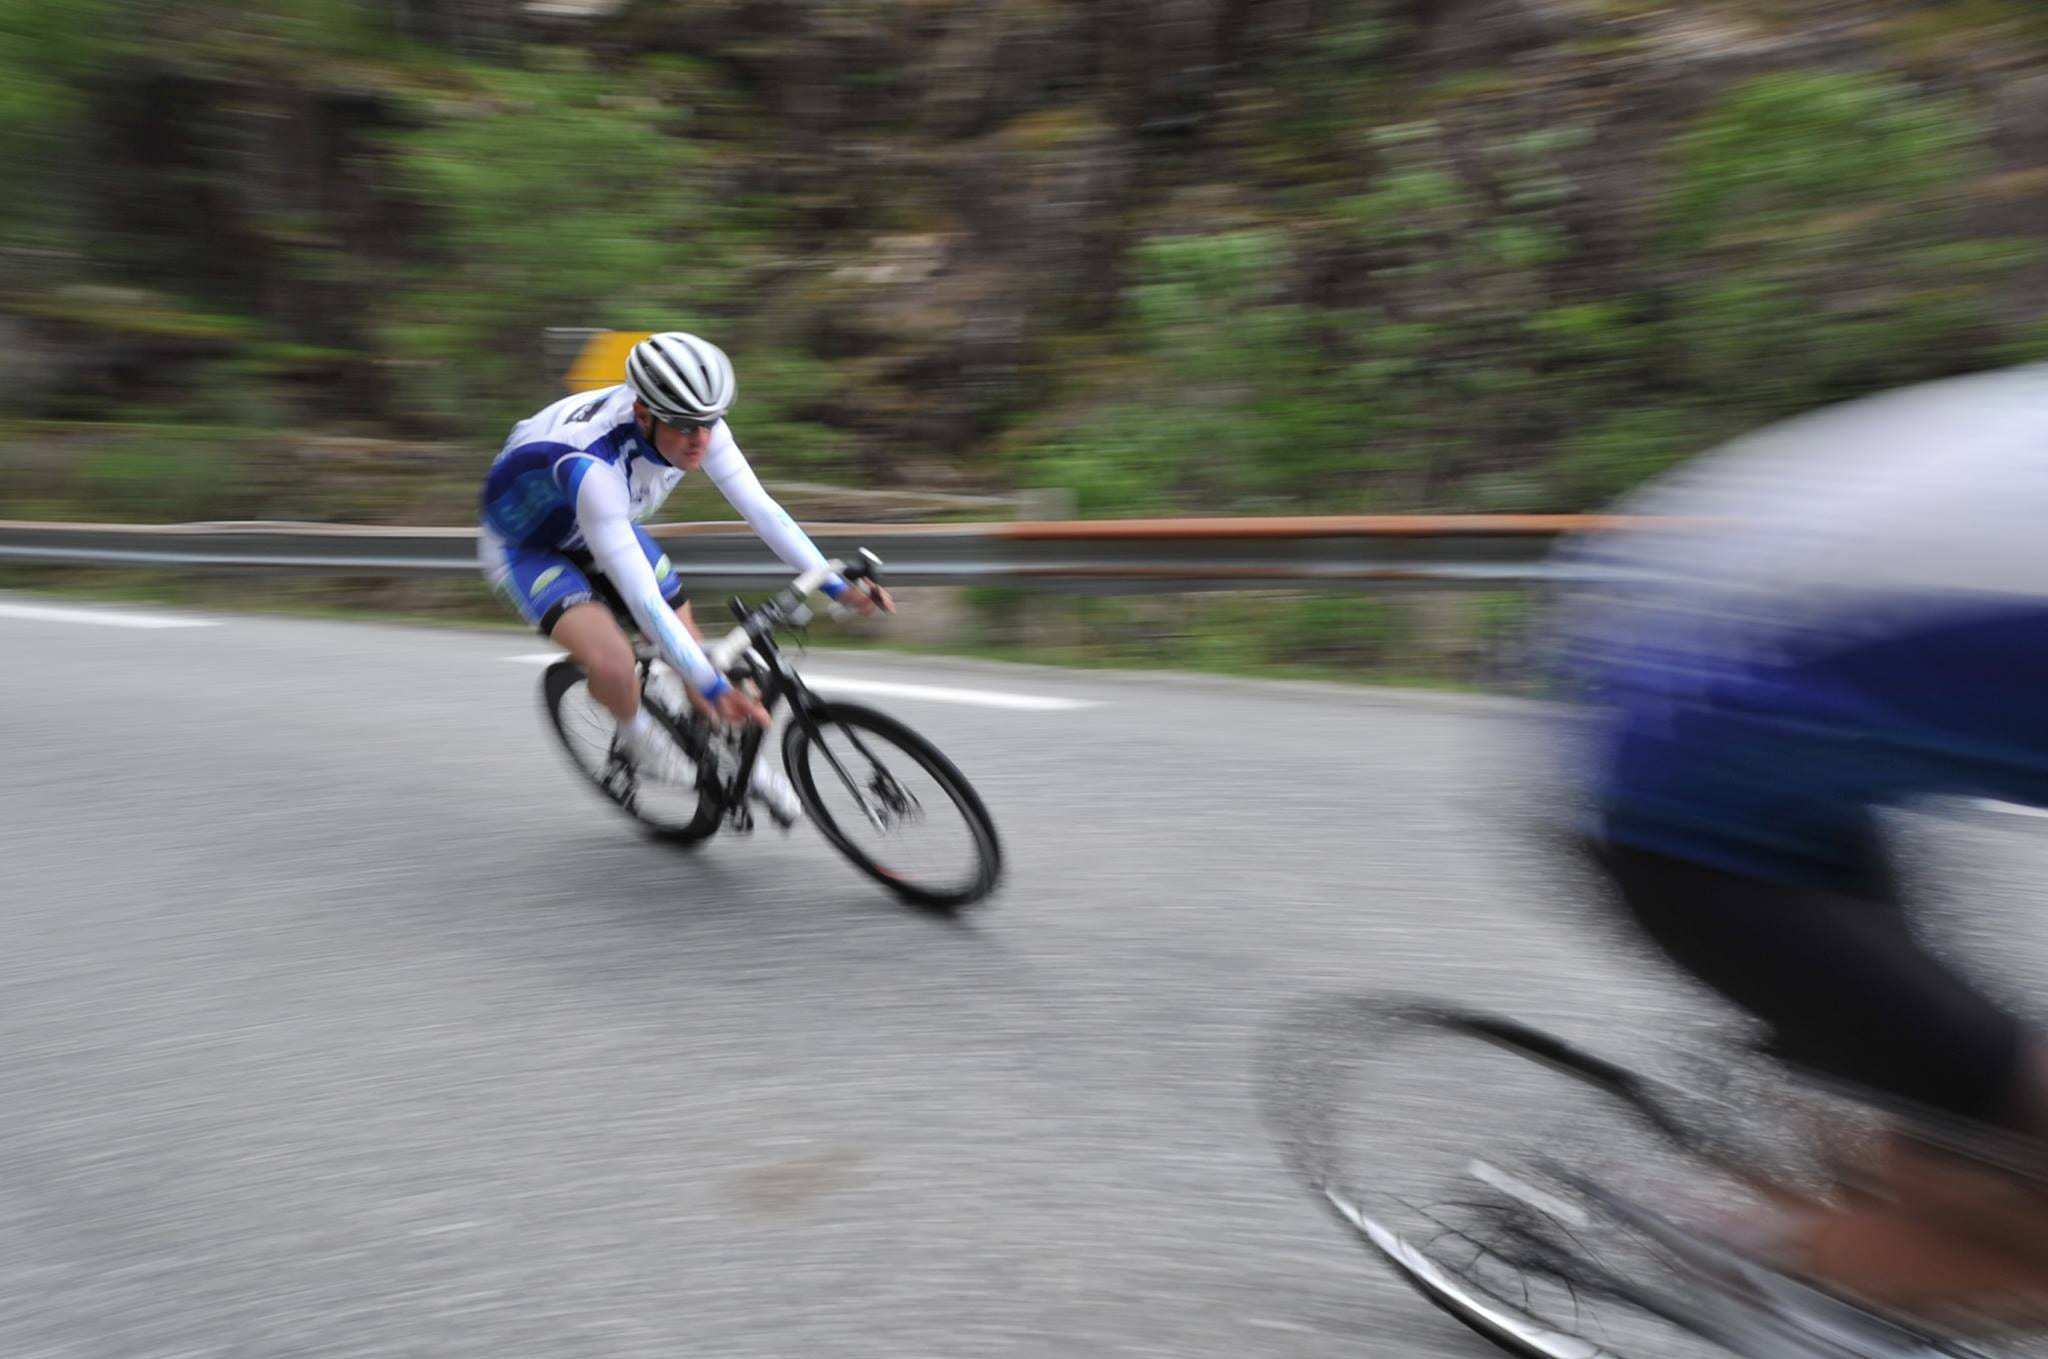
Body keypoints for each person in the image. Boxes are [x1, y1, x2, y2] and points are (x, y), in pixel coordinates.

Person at [1555, 363, 2048, 1323]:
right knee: (2023, 1195)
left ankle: (1898, 1185)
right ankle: (1736, 1243)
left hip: (1730, 701)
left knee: (1961, 1096)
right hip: (1687, 800)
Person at [478, 330, 891, 824]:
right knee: (614, 660)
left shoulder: (696, 426)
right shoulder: (592, 466)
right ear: (643, 415)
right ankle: (637, 736)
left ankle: (746, 767)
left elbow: (761, 510)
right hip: (528, 549)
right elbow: (645, 601)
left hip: (596, 529)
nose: (700, 441)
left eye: (708, 424)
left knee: (694, 646)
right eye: (684, 427)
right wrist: (712, 687)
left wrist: (833, 582)